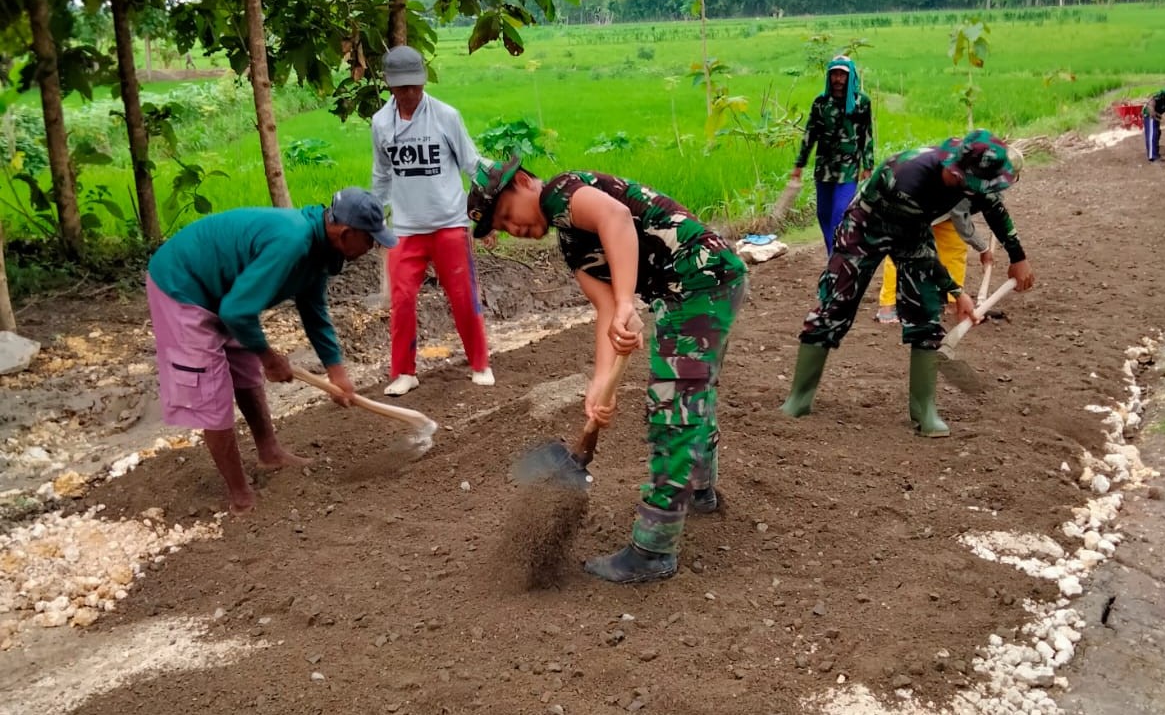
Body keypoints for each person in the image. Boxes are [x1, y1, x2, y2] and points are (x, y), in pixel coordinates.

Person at [467, 159, 748, 584]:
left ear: (524, 182)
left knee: (674, 410)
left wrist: (626, 304)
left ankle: (653, 550)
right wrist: (600, 387)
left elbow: (616, 218)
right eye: (502, 229)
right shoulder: (571, 243)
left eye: (507, 215)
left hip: (697, 279)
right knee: (692, 394)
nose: (513, 228)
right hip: (705, 282)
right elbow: (603, 311)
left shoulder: (560, 191)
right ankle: (699, 491)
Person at [145, 188, 396, 514]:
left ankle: (270, 454)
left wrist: (337, 371)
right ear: (347, 233)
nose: (373, 247)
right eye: (371, 240)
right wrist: (269, 357)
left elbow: (314, 310)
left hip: (226, 292)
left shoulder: (321, 249)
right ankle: (240, 495)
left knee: (245, 370)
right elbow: (236, 312)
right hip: (182, 286)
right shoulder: (291, 241)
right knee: (211, 392)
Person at [780, 130, 1035, 436]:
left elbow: (993, 206)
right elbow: (917, 249)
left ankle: (923, 411)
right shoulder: (908, 176)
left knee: (925, 310)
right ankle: (799, 399)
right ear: (957, 172)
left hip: (914, 227)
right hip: (866, 226)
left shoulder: (973, 173)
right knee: (836, 305)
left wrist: (1017, 256)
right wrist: (955, 291)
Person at [371, 45, 494, 395]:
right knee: (402, 299)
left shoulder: (446, 116)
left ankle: (480, 363)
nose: (410, 93)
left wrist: (492, 210)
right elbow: (381, 176)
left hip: (449, 224)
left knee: (462, 295)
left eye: (415, 86)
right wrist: (375, 219)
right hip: (406, 228)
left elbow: (472, 164)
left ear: (423, 82)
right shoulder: (380, 123)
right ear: (390, 86)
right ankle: (404, 372)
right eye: (402, 87)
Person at [788, 56, 874, 255]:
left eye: (842, 74)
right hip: (824, 167)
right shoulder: (821, 102)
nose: (838, 79)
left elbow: (866, 135)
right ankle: (833, 255)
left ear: (850, 76)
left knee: (839, 214)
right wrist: (799, 164)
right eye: (834, 74)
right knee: (824, 214)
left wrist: (868, 166)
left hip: (848, 167)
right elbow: (810, 134)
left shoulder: (861, 102)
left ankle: (838, 257)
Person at [874, 197, 997, 324]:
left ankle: (954, 302)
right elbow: (960, 214)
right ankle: (888, 307)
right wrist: (984, 248)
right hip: (911, 203)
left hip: (946, 206)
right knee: (904, 249)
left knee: (954, 243)